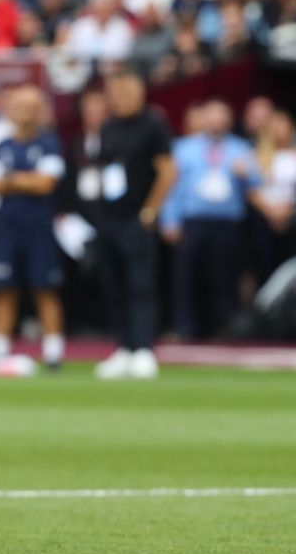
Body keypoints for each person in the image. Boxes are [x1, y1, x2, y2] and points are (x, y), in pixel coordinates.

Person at [160, 100, 282, 339]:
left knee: (224, 278)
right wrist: (169, 219)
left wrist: (248, 173)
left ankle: (224, 329)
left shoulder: (240, 148)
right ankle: (186, 327)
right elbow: (171, 187)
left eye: (221, 116)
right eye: (212, 116)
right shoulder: (183, 148)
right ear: (203, 119)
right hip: (193, 221)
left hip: (227, 223)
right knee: (186, 277)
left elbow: (257, 187)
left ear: (228, 120)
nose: (216, 121)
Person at [93, 69, 175, 379]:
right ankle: (124, 347)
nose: (121, 98)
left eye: (127, 92)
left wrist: (150, 211)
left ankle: (143, 348)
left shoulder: (153, 124)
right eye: (116, 93)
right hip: (109, 218)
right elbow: (103, 170)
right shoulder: (109, 127)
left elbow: (167, 171)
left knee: (141, 285)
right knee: (113, 285)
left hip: (136, 219)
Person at [0, 85, 66, 371]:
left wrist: (10, 180)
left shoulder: (49, 143)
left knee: (45, 287)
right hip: (7, 227)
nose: (26, 112)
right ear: (9, 110)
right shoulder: (0, 145)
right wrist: (26, 180)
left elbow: (46, 184)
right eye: (20, 105)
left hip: (39, 227)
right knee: (4, 289)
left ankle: (53, 353)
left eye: (32, 105)